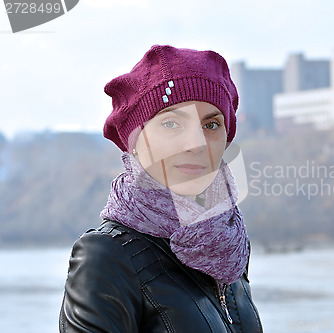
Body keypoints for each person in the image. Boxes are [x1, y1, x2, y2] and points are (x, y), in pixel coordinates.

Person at [59, 45, 263, 332]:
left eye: (212, 124)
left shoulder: (229, 246)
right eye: (171, 123)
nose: (196, 143)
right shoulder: (107, 255)